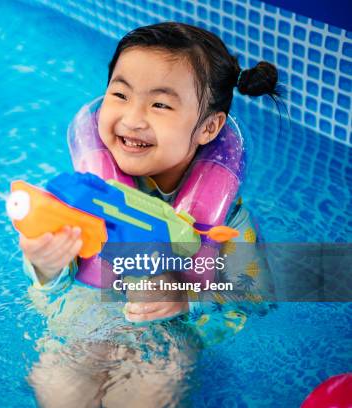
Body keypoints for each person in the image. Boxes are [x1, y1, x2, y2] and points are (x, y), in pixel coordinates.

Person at [18, 22, 281, 407]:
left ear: (209, 127)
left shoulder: (227, 221)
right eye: (120, 95)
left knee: (147, 392)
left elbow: (255, 297)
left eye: (159, 104)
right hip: (85, 327)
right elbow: (52, 287)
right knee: (56, 385)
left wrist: (189, 298)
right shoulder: (86, 196)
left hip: (163, 341)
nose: (133, 118)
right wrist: (44, 262)